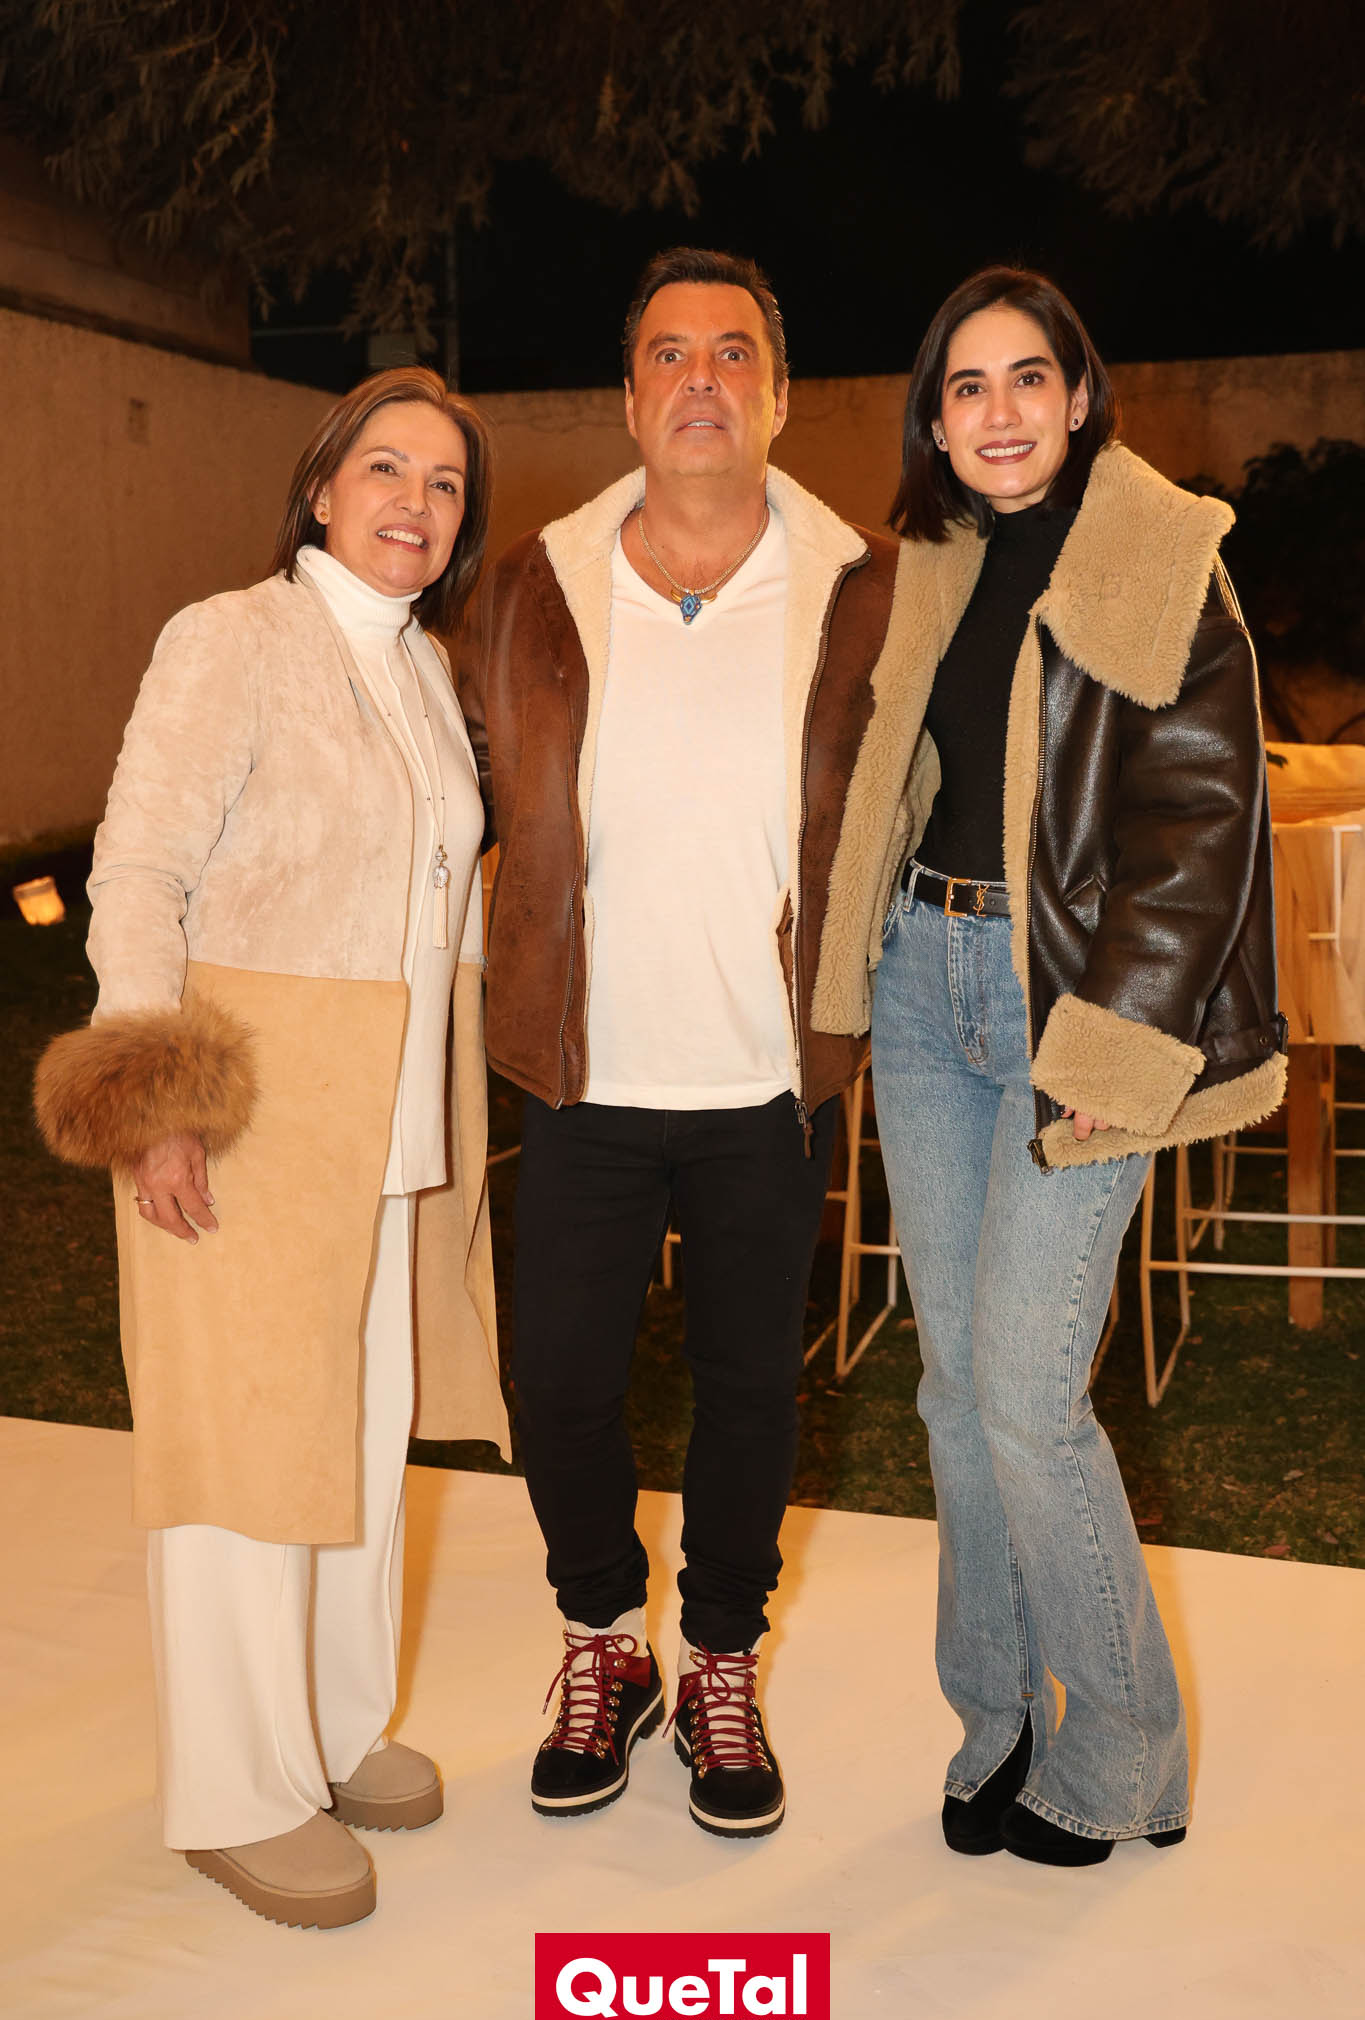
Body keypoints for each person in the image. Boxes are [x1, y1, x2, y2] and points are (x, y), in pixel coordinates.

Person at [811, 267, 1284, 1866]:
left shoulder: (1161, 554)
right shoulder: (936, 561)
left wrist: (1119, 1041)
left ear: (1078, 397)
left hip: (1068, 1011)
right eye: (965, 386)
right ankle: (996, 1712)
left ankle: (1126, 1752)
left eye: (1027, 378)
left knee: (1024, 1391)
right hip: (923, 983)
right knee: (954, 1391)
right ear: (933, 421)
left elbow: (1199, 820)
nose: (997, 410)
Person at [35, 368, 509, 1927]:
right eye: (385, 469)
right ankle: (238, 1792)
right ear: (319, 488)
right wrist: (154, 1102)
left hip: (384, 1122)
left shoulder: (424, 666)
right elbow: (138, 871)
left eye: (443, 483)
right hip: (243, 1115)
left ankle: (330, 1727)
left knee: (355, 1442)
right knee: (240, 1452)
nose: (414, 503)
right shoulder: (230, 637)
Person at [459, 246, 910, 1839]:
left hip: (767, 1080)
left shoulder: (868, 589)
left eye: (732, 353)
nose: (700, 379)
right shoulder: (534, 583)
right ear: (628, 396)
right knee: (558, 1385)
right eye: (668, 353)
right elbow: (459, 790)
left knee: (749, 1393)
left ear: (778, 396)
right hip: (582, 1067)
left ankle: (720, 1658)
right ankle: (604, 1639)